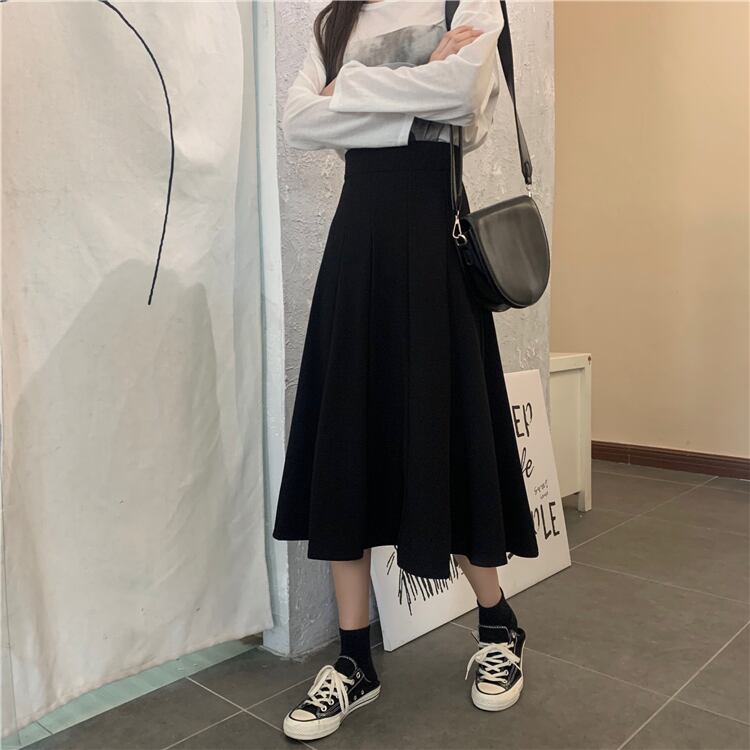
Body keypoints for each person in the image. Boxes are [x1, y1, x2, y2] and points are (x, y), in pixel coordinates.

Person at [271, 0, 540, 740]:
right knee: (348, 441)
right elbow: (297, 123)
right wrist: (421, 74)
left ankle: (498, 625)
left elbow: (463, 95)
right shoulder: (333, 21)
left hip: (435, 255)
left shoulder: (467, 5)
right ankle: (354, 661)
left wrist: (347, 91)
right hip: (356, 254)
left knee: (450, 434)